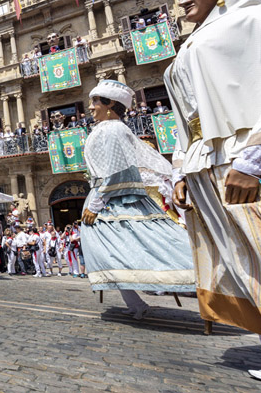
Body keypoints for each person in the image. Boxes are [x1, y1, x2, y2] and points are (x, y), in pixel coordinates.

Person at [164, 0, 261, 383]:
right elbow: (184, 116)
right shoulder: (193, 41)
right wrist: (179, 169)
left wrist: (257, 154)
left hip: (243, 156)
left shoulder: (258, 19)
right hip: (204, 160)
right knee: (242, 260)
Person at [80, 79, 196, 320]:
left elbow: (117, 171)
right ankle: (135, 302)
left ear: (110, 103)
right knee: (106, 251)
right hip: (106, 197)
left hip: (113, 201)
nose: (90, 107)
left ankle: (205, 277)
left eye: (94, 102)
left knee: (146, 246)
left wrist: (95, 204)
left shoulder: (114, 129)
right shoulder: (104, 129)